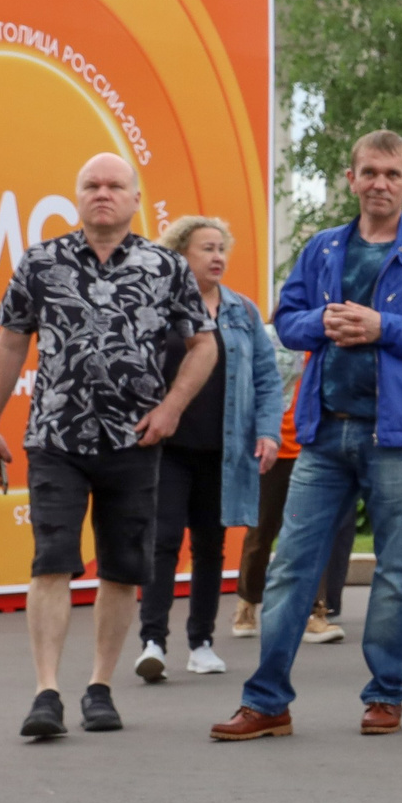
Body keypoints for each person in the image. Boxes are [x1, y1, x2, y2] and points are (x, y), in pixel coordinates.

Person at [210, 130, 402, 741]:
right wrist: (324, 322)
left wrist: (383, 326)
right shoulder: (323, 247)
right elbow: (286, 321)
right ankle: (266, 701)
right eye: (369, 172)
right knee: (290, 567)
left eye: (392, 174)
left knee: (397, 571)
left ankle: (385, 695)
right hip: (323, 433)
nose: (380, 183)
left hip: (396, 437)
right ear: (351, 179)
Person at [0, 153, 216, 740]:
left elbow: (203, 345)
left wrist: (171, 408)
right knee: (51, 559)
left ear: (135, 199)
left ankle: (100, 687)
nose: (102, 193)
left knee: (122, 568)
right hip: (56, 436)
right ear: (77, 196)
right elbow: (9, 346)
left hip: (135, 439)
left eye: (114, 185)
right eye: (92, 185)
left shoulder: (165, 267)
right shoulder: (41, 262)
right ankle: (46, 692)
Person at [134, 216, 282, 680]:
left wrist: (268, 431)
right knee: (162, 542)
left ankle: (201, 643)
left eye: (222, 248)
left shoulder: (243, 311)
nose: (218, 257)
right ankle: (153, 642)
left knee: (210, 546)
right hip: (168, 446)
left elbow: (266, 377)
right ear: (181, 255)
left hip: (224, 448)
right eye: (207, 248)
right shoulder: (156, 305)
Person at [228, 374, 351, 643]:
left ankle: (313, 612)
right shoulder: (268, 347)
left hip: (314, 451)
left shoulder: (321, 347)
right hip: (274, 453)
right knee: (261, 530)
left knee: (313, 532)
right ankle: (247, 601)